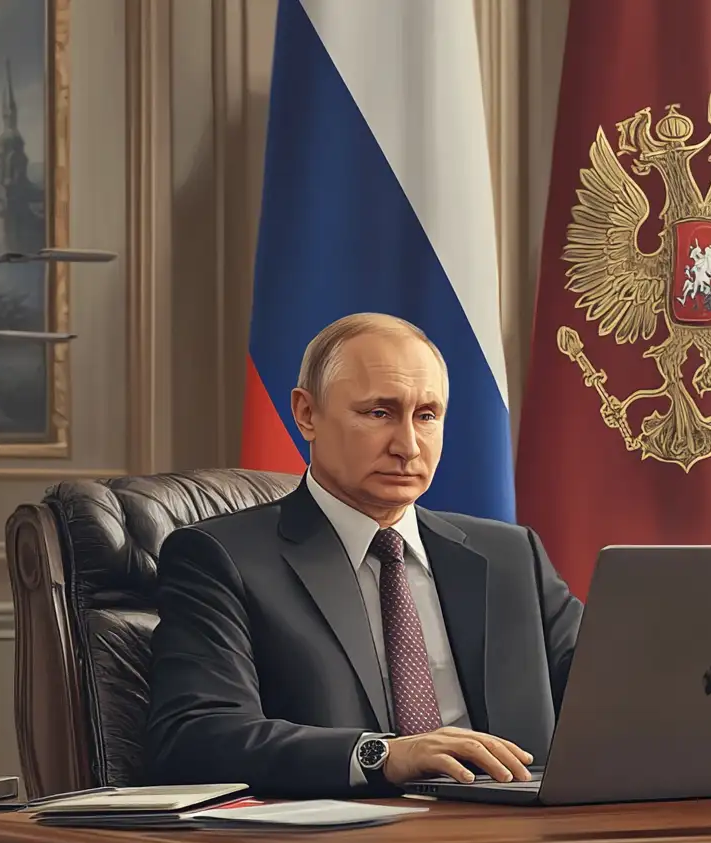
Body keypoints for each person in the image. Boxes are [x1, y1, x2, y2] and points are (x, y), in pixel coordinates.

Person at [147, 313, 579, 797]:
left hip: (523, 840)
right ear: (307, 414)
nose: (408, 446)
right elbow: (193, 737)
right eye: (379, 413)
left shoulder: (511, 556)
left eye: (427, 415)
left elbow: (620, 697)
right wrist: (383, 754)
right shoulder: (222, 558)